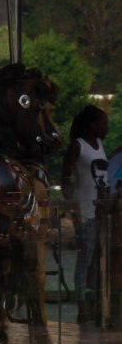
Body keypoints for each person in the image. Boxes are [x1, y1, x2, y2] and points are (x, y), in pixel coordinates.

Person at [61, 105, 109, 323]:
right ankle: (82, 304)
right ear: (92, 125)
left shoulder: (99, 145)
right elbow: (66, 178)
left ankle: (95, 300)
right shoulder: (77, 146)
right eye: (103, 123)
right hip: (84, 209)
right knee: (85, 257)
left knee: (99, 257)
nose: (106, 127)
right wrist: (73, 207)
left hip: (101, 209)